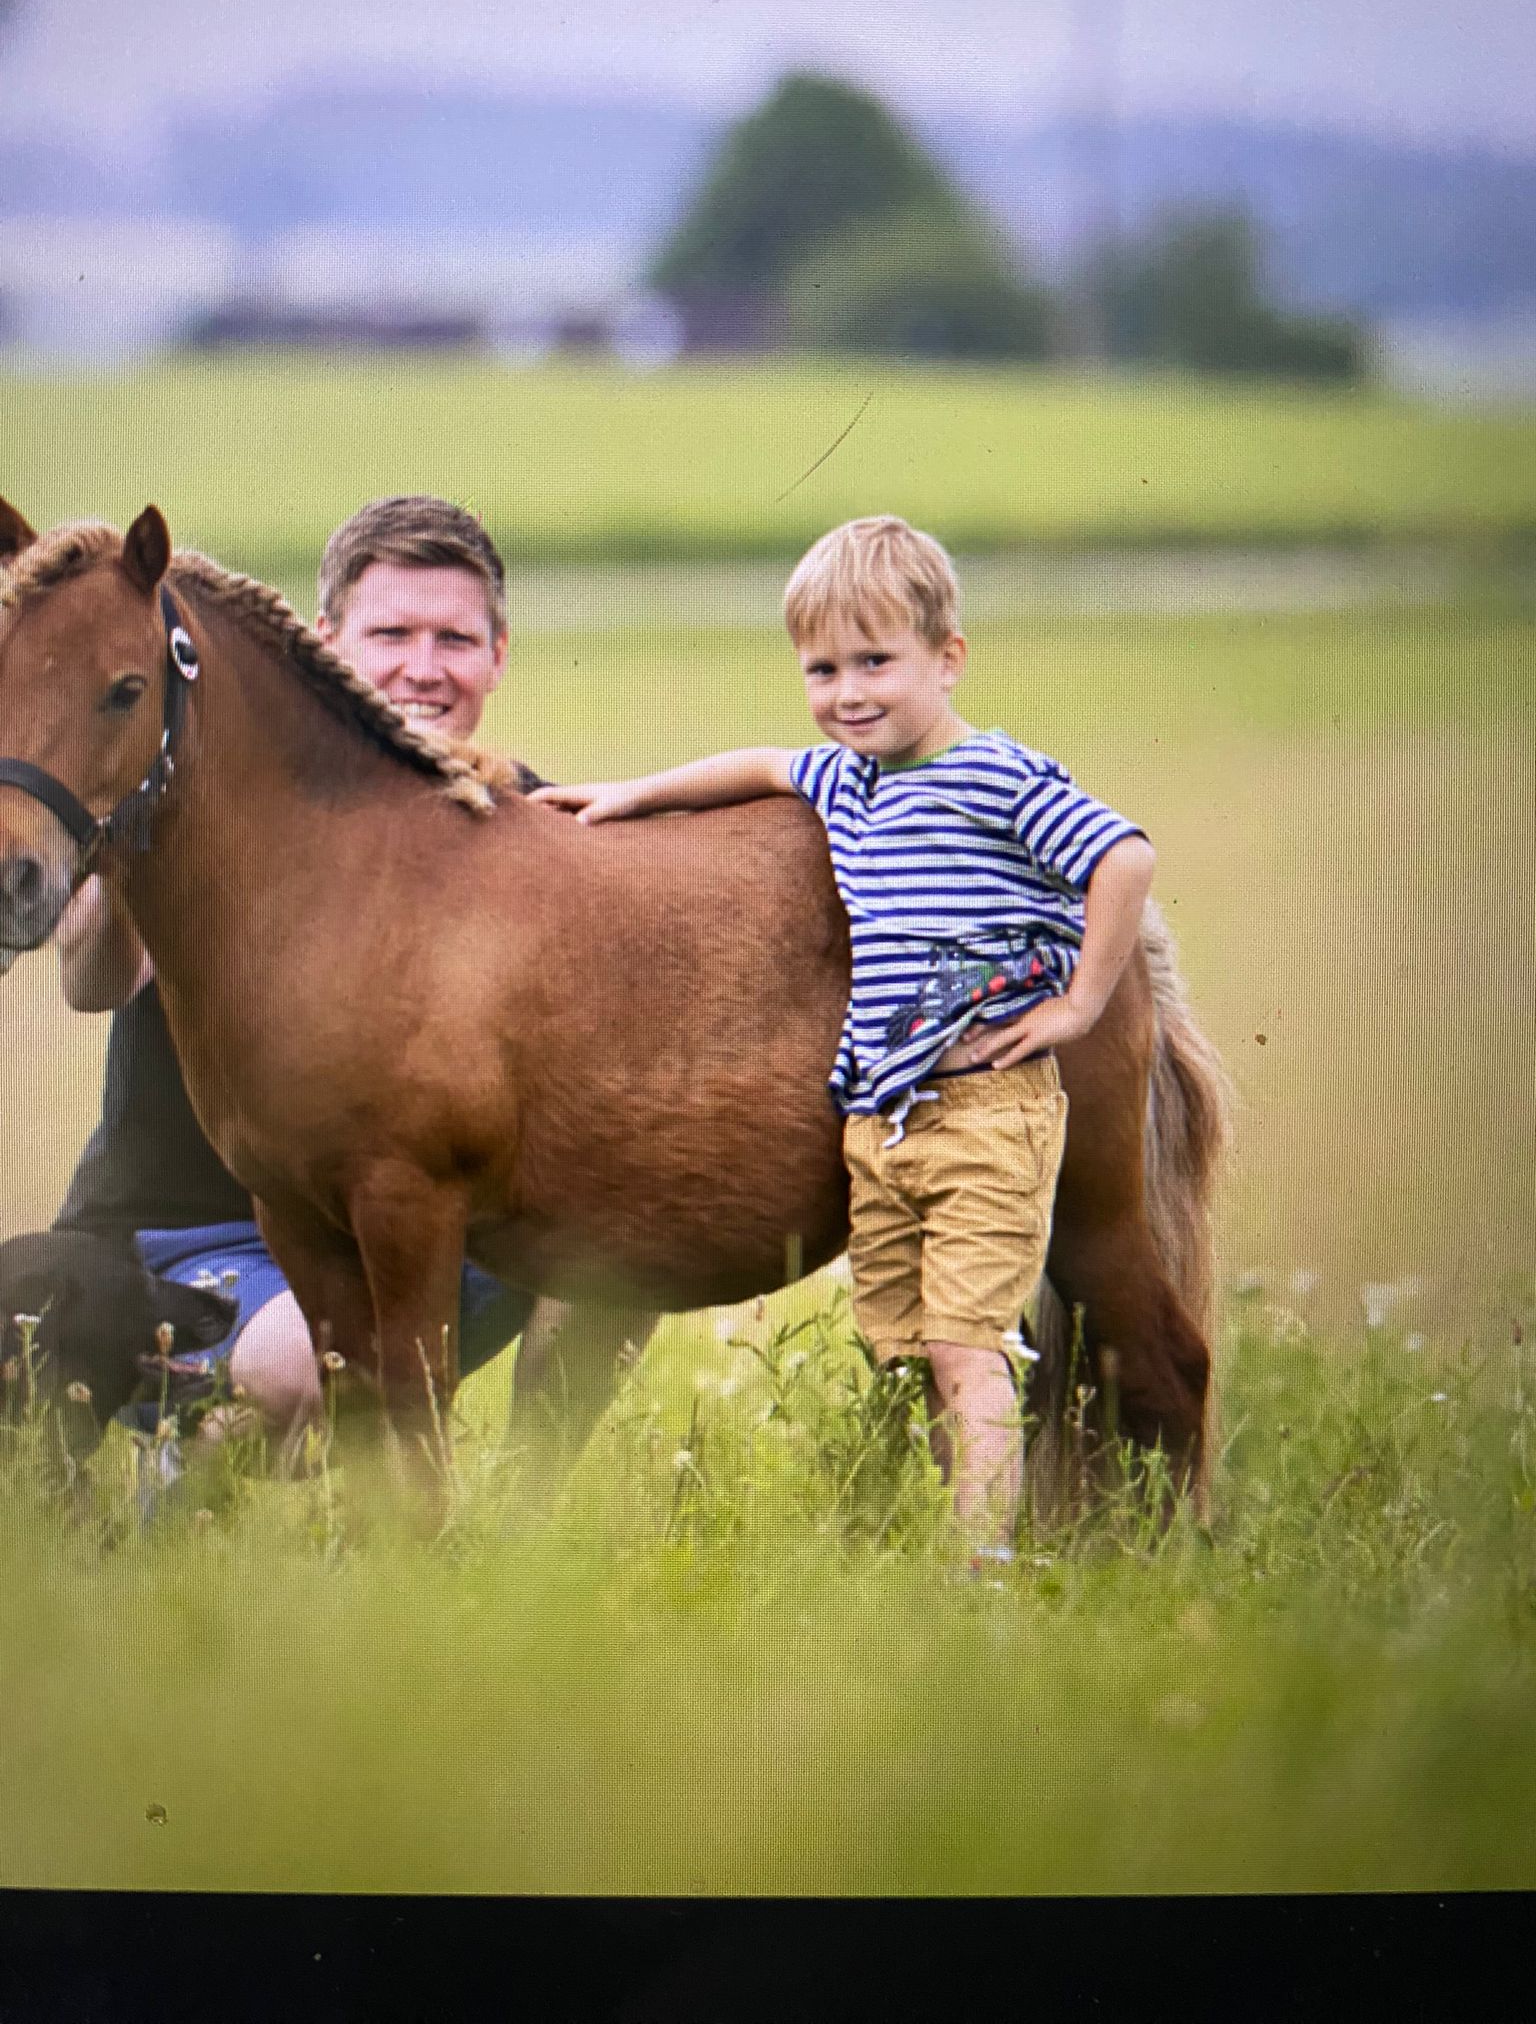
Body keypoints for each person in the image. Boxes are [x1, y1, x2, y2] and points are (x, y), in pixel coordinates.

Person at [531, 515, 1156, 1562]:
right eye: (823, 668)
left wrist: (1082, 1004)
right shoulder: (846, 777)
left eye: (877, 661)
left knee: (966, 1349)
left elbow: (1124, 856)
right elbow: (760, 765)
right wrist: (633, 793)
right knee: (907, 1353)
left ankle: (981, 1574)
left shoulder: (997, 774)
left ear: (947, 660)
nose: (849, 692)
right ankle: (950, 1531)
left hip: (983, 1115)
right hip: (882, 1122)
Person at [50, 496, 538, 1453]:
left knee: (622, 1255)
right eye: (390, 633)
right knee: (313, 1367)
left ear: (498, 653)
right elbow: (91, 983)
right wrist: (125, 864)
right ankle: (192, 1478)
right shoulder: (223, 804)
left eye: (454, 638)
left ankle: (529, 1533)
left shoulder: (526, 820)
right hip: (185, 1249)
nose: (423, 668)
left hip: (393, 1238)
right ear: (323, 642)